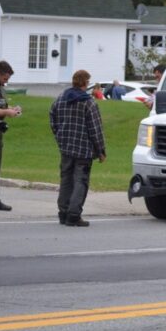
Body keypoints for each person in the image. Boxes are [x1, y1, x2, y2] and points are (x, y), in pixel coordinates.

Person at [49, 69, 107, 227]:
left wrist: (59, 136)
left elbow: (52, 117)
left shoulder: (61, 98)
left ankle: (63, 212)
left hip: (66, 148)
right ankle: (74, 215)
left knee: (66, 180)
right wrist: (101, 151)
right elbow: (95, 130)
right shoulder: (88, 102)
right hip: (83, 150)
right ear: (85, 83)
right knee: (80, 182)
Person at [0, 61, 22, 211]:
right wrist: (7, 112)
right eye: (5, 78)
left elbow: (2, 107)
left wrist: (12, 109)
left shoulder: (1, 89)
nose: (6, 82)